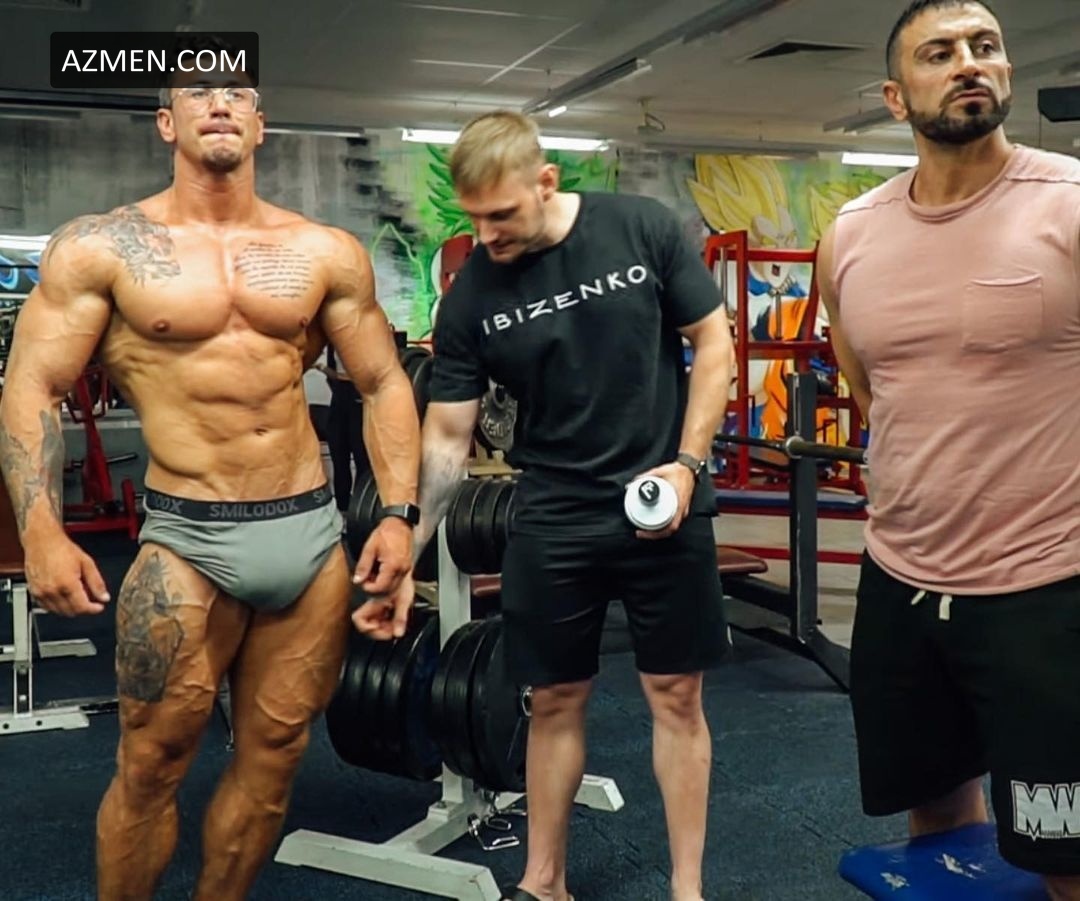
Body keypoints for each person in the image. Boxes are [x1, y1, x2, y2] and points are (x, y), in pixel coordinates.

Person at [0, 38, 420, 901]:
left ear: (260, 124)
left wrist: (398, 512)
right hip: (187, 539)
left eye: (238, 92)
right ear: (167, 122)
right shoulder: (102, 248)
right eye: (197, 91)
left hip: (309, 535)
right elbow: (32, 387)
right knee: (152, 761)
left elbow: (383, 383)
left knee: (277, 757)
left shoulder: (325, 252)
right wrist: (41, 528)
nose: (220, 100)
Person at [371, 109, 735, 901]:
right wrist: (410, 543)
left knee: (677, 695)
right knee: (553, 697)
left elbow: (714, 344)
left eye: (501, 214)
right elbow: (448, 437)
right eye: (474, 217)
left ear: (546, 181)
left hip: (662, 498)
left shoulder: (640, 228)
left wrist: (686, 465)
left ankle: (688, 888)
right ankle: (544, 883)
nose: (486, 234)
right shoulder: (471, 296)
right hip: (553, 509)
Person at [817, 2, 1080, 897]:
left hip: (1047, 590)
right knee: (936, 828)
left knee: (1066, 854)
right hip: (901, 581)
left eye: (985, 47)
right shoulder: (850, 234)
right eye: (940, 53)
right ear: (896, 96)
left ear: (1005, 72)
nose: (969, 62)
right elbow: (871, 390)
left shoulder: (1068, 203)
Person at [315, 345, 371, 512]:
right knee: (339, 455)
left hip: (358, 395)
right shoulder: (333, 344)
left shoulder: (363, 339)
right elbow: (334, 375)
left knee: (361, 457)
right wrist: (321, 367)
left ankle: (359, 508)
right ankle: (342, 507)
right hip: (340, 395)